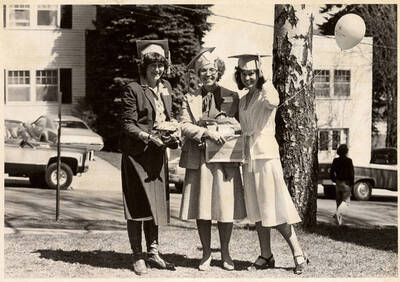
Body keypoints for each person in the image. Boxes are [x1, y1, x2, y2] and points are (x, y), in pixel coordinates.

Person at [230, 54, 309, 274]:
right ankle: (266, 254)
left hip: (266, 156)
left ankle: (298, 253)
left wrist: (266, 82)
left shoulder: (267, 92)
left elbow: (274, 102)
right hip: (249, 158)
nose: (248, 78)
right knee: (257, 210)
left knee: (275, 208)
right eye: (244, 74)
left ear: (259, 73)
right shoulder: (243, 99)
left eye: (252, 73)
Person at [179, 48, 246, 271]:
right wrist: (206, 132)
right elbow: (184, 125)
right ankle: (206, 253)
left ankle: (225, 252)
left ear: (218, 71)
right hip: (200, 160)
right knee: (203, 207)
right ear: (197, 74)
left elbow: (240, 125)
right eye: (203, 70)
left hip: (225, 158)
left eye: (212, 70)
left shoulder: (231, 96)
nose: (208, 74)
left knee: (225, 207)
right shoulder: (190, 98)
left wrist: (223, 130)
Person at [118, 39, 177, 275]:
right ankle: (137, 255)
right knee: (136, 205)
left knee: (155, 206)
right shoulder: (133, 89)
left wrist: (174, 136)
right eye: (153, 65)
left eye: (161, 65)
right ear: (144, 65)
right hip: (137, 156)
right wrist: (148, 137)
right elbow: (126, 124)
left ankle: (154, 252)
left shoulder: (166, 88)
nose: (158, 69)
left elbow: (168, 118)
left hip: (157, 155)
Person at [330, 144, 354, 226]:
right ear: (346, 152)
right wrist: (351, 183)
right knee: (346, 202)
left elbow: (331, 172)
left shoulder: (335, 160)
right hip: (346, 183)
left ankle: (339, 223)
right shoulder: (349, 161)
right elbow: (351, 173)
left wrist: (334, 180)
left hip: (338, 182)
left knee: (339, 202)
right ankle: (337, 214)